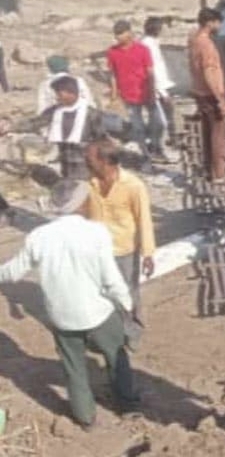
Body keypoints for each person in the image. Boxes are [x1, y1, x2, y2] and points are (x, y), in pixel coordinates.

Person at [0, 180, 138, 429]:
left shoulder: (38, 237)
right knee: (116, 355)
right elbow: (111, 278)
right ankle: (127, 403)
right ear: (82, 204)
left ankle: (85, 417)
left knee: (74, 367)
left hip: (62, 316)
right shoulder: (96, 233)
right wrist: (126, 303)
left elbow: (12, 272)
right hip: (98, 312)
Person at [83, 139, 155, 351]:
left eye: (90, 159)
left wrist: (148, 254)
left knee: (127, 293)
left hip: (124, 250)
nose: (86, 163)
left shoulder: (134, 186)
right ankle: (108, 333)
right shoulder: (90, 184)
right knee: (101, 293)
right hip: (97, 250)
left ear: (105, 161)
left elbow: (144, 219)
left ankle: (132, 331)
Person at [18, 76, 106, 181]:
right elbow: (35, 123)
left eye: (59, 94)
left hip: (85, 163)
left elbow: (101, 139)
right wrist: (10, 127)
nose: (57, 98)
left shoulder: (91, 114)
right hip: (65, 161)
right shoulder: (55, 111)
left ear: (72, 93)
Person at [106, 19, 164, 164]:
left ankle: (155, 145)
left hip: (146, 92)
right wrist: (114, 94)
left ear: (129, 33)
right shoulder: (112, 52)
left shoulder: (142, 49)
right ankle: (146, 154)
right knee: (138, 126)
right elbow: (113, 75)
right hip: (128, 95)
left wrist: (152, 91)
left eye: (121, 33)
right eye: (116, 34)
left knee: (160, 122)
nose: (118, 37)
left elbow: (150, 72)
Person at [189, 7, 225, 180]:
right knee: (218, 136)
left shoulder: (194, 40)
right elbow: (209, 72)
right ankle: (219, 173)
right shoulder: (207, 45)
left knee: (207, 133)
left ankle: (208, 170)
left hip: (199, 92)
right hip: (210, 94)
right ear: (210, 23)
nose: (219, 26)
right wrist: (219, 99)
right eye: (218, 22)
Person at [140, 17, 176, 147]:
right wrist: (162, 92)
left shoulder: (151, 43)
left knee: (163, 116)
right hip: (156, 88)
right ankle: (157, 145)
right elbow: (152, 69)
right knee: (161, 119)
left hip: (160, 86)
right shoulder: (148, 45)